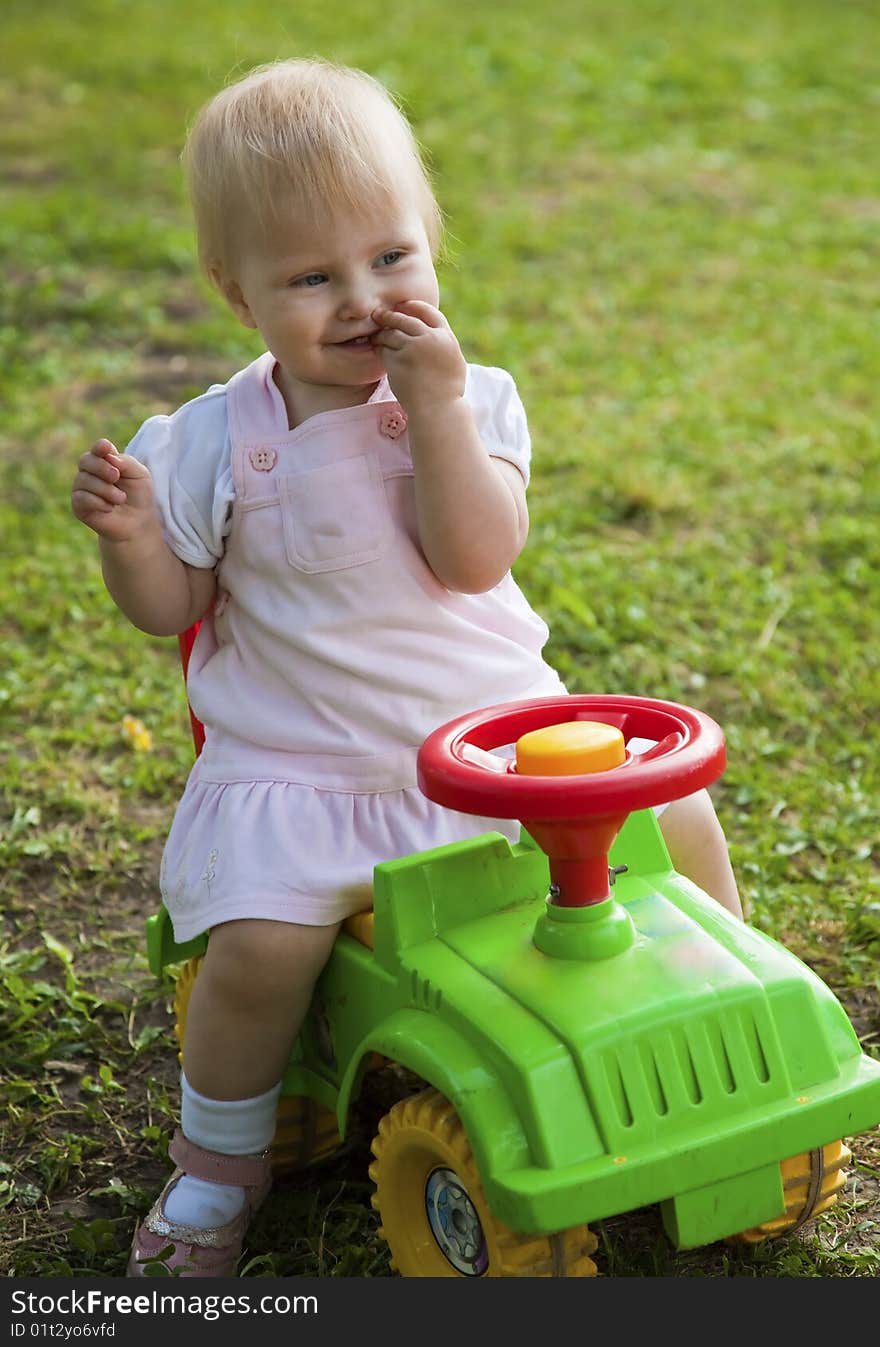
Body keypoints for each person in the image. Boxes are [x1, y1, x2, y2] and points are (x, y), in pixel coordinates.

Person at [71, 57, 742, 1278]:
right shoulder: (216, 439)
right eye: (311, 277)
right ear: (238, 293)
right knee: (261, 953)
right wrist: (130, 542)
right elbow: (173, 606)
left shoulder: (471, 402)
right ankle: (219, 1164)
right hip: (310, 766)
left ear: (431, 247)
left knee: (677, 807)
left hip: (500, 742)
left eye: (390, 259)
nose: (359, 300)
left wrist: (431, 410)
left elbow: (473, 558)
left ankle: (720, 996)